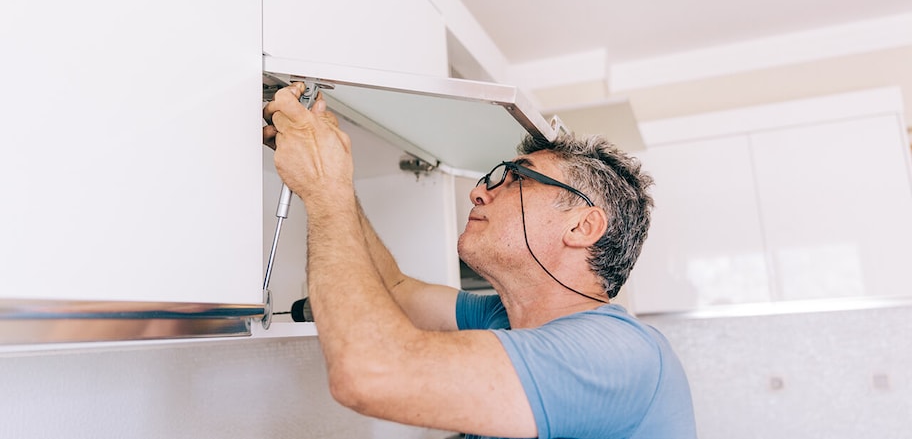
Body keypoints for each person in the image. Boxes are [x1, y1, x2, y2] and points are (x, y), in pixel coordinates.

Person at [263, 82, 697, 439]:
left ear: (582, 227)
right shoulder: (503, 318)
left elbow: (370, 374)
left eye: (518, 178)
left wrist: (326, 188)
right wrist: (327, 164)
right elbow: (393, 289)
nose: (479, 191)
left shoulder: (616, 354)